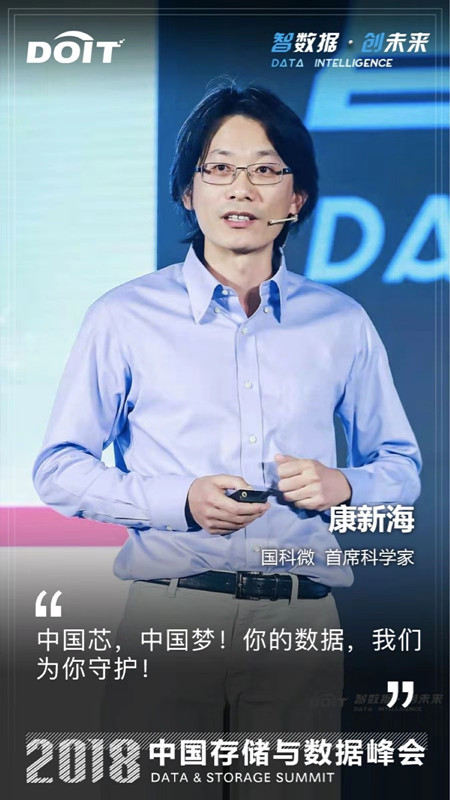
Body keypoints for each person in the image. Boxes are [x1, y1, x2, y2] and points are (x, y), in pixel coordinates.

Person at [32, 84, 421, 799]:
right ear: (189, 191)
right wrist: (179, 501)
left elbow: (401, 467)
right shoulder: (124, 316)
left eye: (266, 169)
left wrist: (343, 485)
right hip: (170, 616)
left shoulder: (341, 322)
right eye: (219, 168)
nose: (242, 188)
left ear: (296, 198)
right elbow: (59, 468)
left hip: (298, 622)